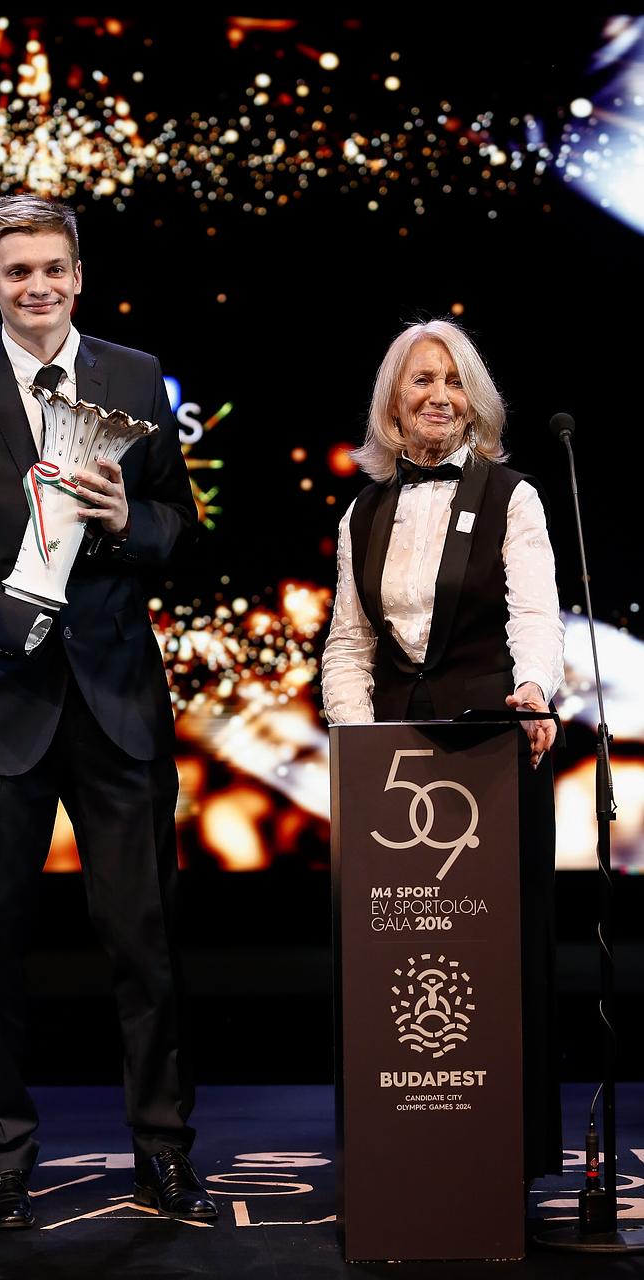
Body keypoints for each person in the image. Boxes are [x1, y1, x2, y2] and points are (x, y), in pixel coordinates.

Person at [0, 194, 216, 1227]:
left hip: (117, 702)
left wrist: (128, 521)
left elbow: (181, 525)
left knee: (145, 942)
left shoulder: (133, 374)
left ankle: (163, 1151)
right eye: (18, 271)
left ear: (79, 275)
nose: (39, 286)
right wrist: (9, 617)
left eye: (54, 268)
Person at [321, 318, 564, 1181]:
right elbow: (348, 644)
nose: (437, 395)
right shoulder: (362, 512)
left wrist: (533, 688)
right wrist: (355, 747)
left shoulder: (512, 497)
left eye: (453, 380)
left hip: (493, 755)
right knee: (389, 962)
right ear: (392, 403)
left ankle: (501, 1163)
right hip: (392, 773)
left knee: (498, 962)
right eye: (420, 380)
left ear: (475, 401)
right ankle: (396, 1164)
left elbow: (534, 614)